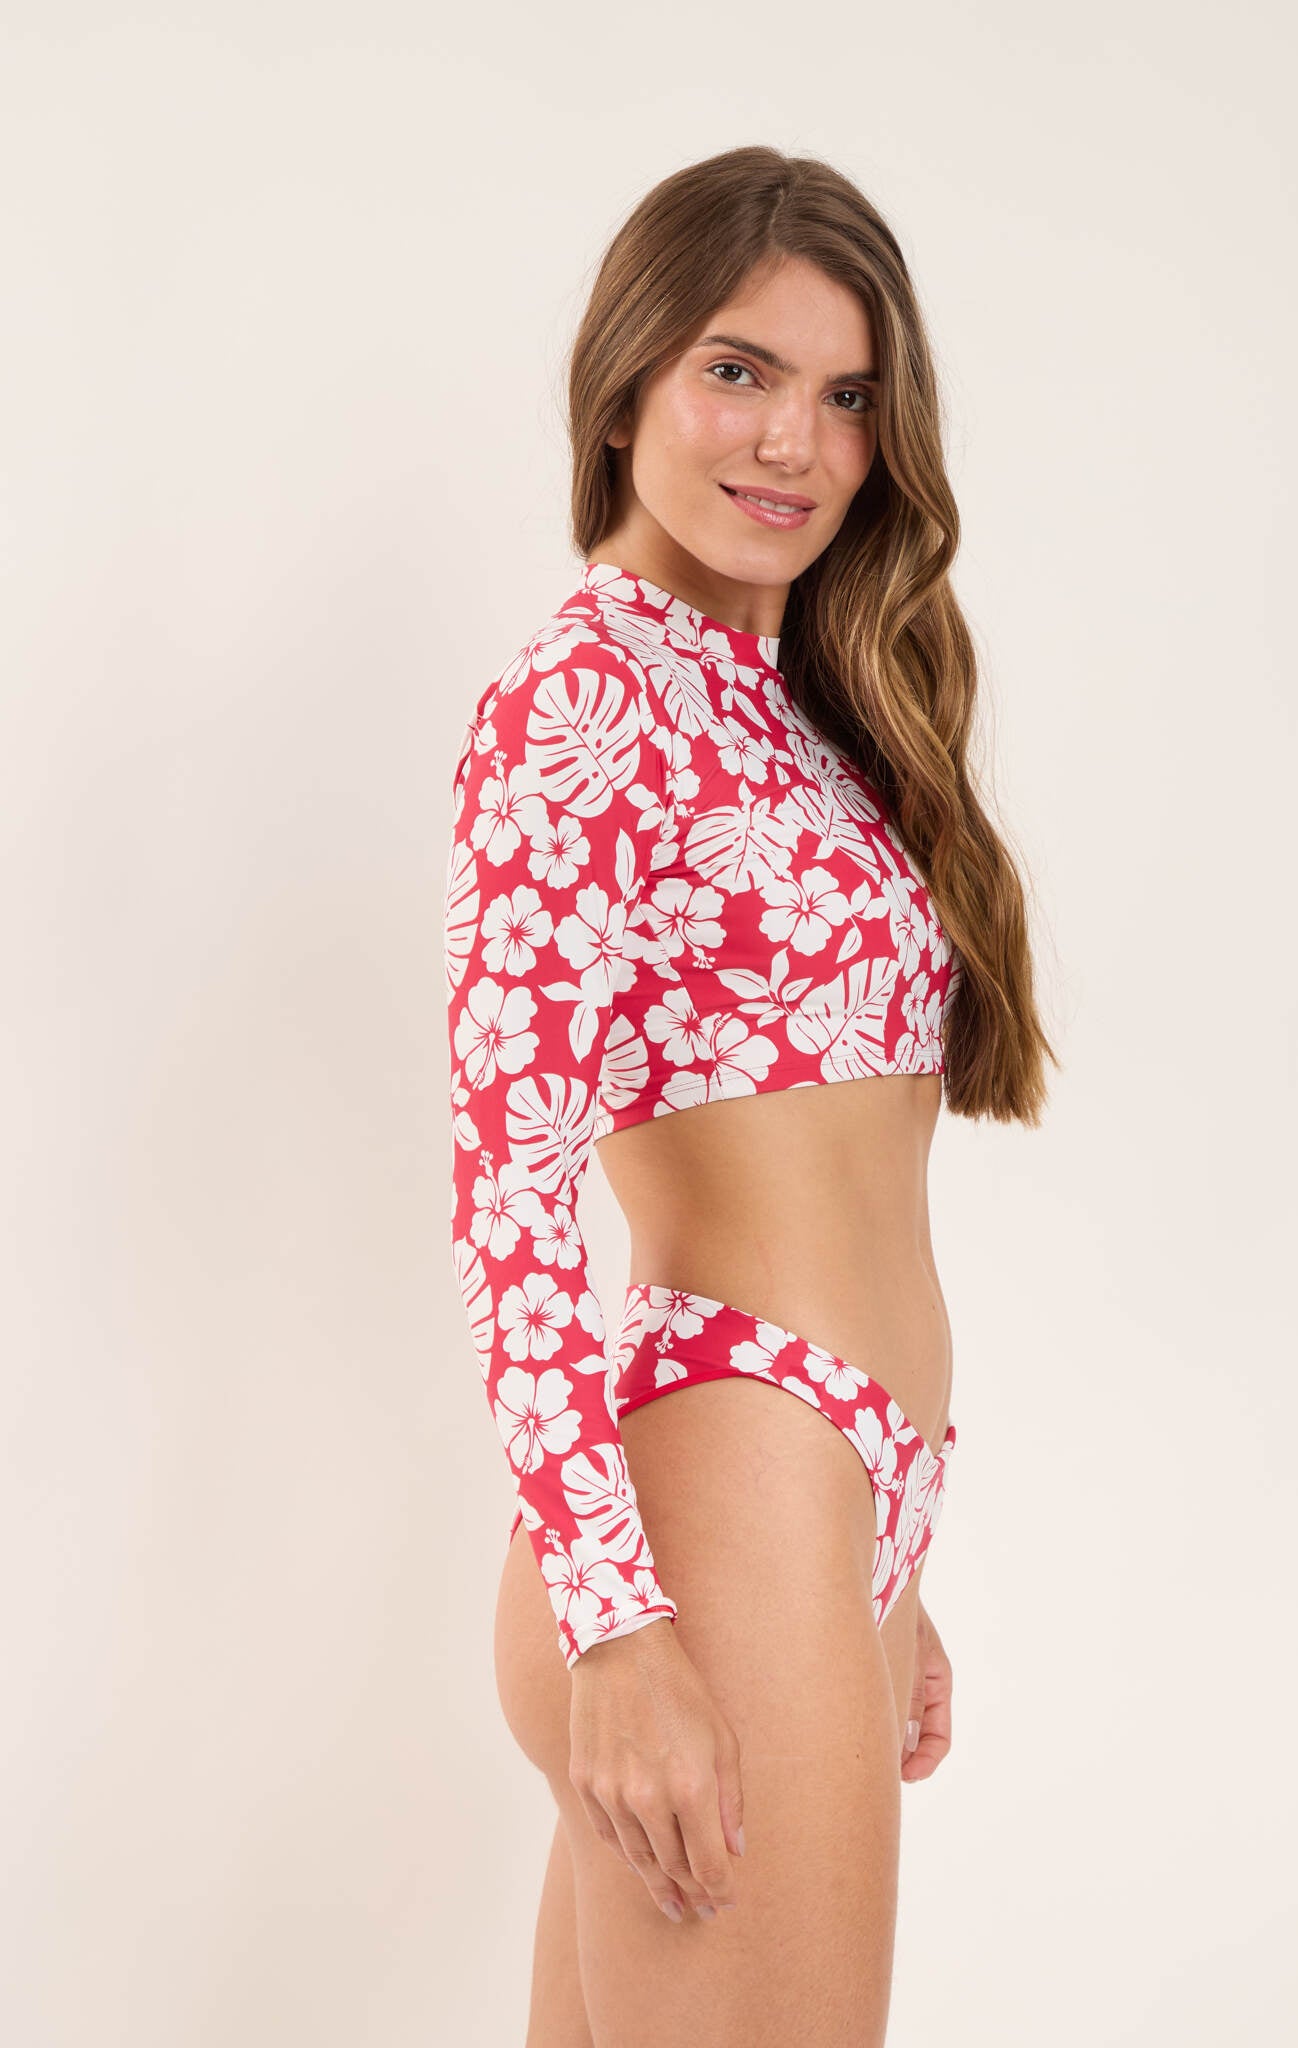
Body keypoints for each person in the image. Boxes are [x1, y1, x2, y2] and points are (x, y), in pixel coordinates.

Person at [444, 144, 1056, 2048]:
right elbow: (509, 1186)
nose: (794, 439)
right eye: (737, 370)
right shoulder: (583, 697)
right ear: (623, 381)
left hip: (807, 1514)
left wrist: (882, 1575)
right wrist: (620, 1622)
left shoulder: (792, 705)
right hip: (715, 1494)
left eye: (846, 394)